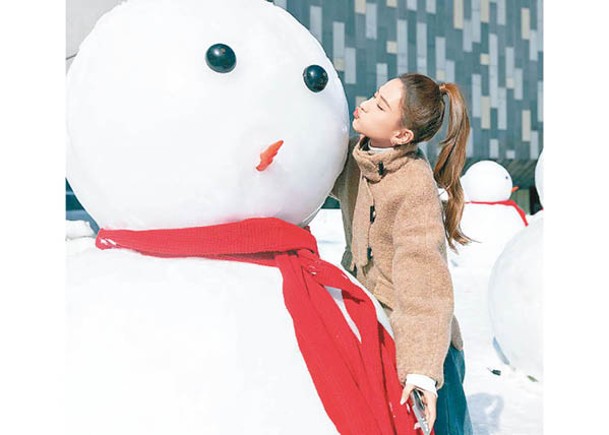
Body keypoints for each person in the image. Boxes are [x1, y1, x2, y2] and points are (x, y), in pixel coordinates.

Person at [331, 73, 474, 435]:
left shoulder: (413, 186)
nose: (364, 103)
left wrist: (422, 370)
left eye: (380, 104)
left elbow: (423, 281)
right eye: (375, 94)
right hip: (372, 320)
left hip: (417, 341)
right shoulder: (358, 155)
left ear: (401, 136)